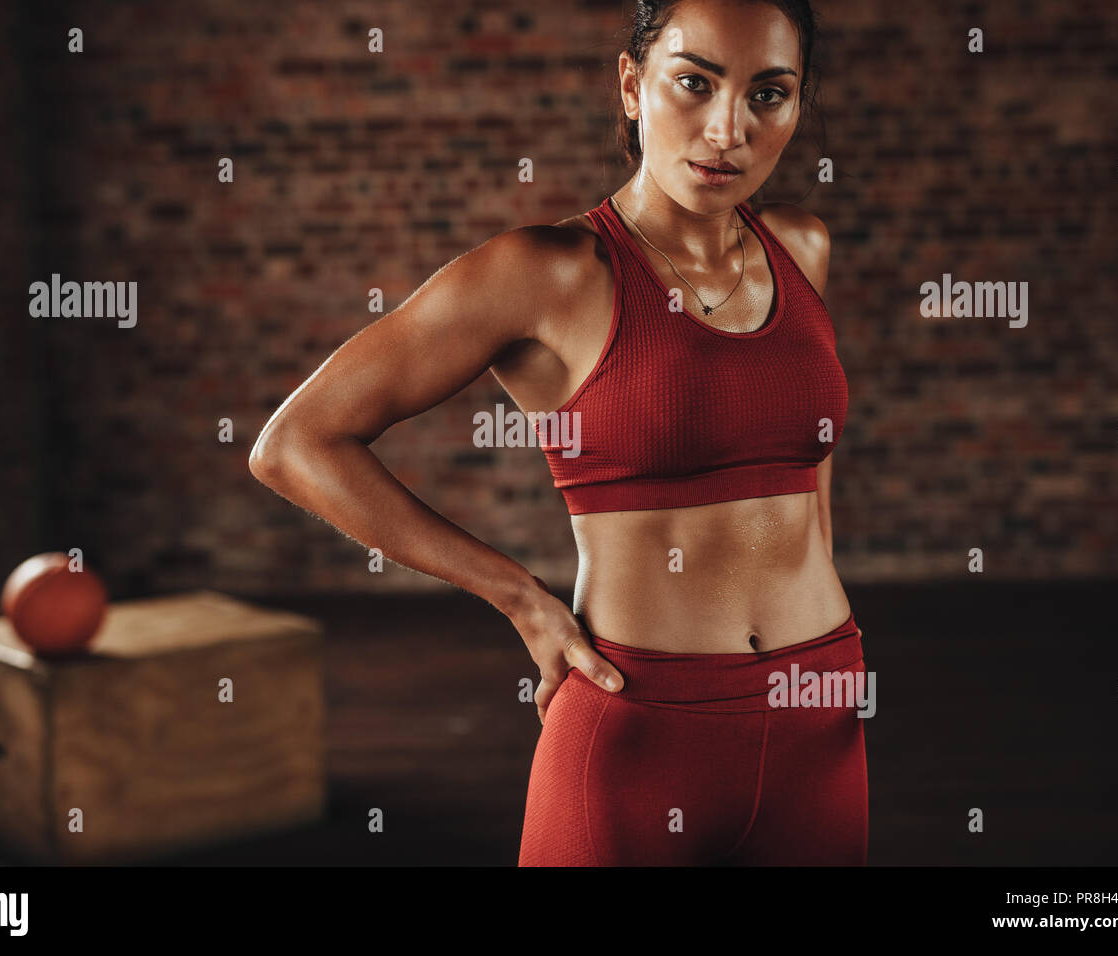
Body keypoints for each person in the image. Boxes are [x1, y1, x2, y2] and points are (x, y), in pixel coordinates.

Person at [249, 0, 867, 866]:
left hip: (821, 708)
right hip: (640, 724)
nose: (729, 128)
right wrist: (519, 598)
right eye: (694, 83)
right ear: (631, 84)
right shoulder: (547, 272)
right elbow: (296, 443)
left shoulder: (802, 247)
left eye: (771, 94)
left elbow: (810, 468)